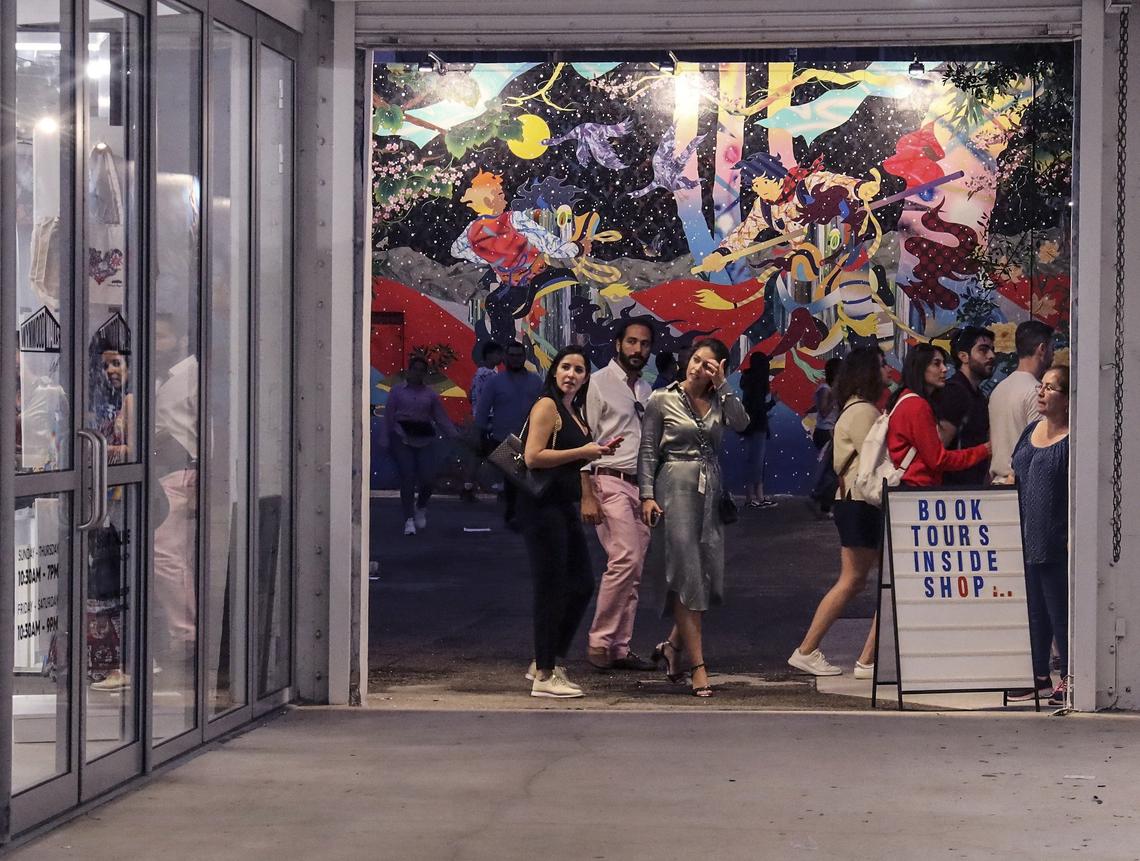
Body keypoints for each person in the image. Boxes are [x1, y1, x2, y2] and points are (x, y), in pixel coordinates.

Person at [638, 339, 750, 697]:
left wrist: (724, 386)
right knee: (687, 572)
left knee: (704, 573)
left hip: (710, 490)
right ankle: (698, 666)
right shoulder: (661, 399)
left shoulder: (721, 400)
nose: (697, 367)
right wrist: (646, 495)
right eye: (695, 359)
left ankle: (672, 646)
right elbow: (646, 450)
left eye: (708, 364)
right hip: (674, 486)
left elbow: (742, 423)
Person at [520, 345, 618, 698]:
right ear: (554, 371)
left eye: (579, 369)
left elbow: (578, 462)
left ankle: (545, 660)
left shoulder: (572, 411)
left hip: (562, 506)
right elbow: (533, 457)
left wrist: (595, 455)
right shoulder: (547, 406)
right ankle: (545, 675)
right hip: (542, 508)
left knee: (580, 584)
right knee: (551, 589)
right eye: (566, 367)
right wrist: (583, 452)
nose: (571, 374)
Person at [789, 348, 892, 677]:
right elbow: (876, 460)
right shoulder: (863, 411)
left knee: (859, 580)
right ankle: (820, 651)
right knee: (861, 581)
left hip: (852, 503)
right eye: (881, 365)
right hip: (862, 503)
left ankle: (863, 657)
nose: (888, 370)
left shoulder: (851, 408)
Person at [579, 318, 657, 672]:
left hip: (639, 488)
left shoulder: (647, 391)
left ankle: (620, 648)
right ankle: (599, 639)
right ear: (618, 344)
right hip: (606, 481)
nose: (637, 350)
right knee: (624, 558)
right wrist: (587, 494)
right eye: (631, 342)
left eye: (643, 344)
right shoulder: (597, 383)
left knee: (634, 569)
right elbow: (585, 441)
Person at [1005, 365, 1070, 706]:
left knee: (1061, 612)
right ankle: (1038, 676)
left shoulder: (1073, 441)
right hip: (1027, 536)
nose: (1041, 393)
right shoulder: (1031, 429)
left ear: (1068, 398)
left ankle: (1070, 677)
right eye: (1041, 386)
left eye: (1051, 388)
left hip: (1057, 541)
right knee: (1035, 611)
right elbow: (1015, 470)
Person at [886, 344, 991, 487]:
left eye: (943, 363)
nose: (944, 369)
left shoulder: (905, 400)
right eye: (936, 364)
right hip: (917, 490)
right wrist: (983, 450)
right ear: (920, 367)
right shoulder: (917, 406)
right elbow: (938, 459)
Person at [380, 355, 458, 536]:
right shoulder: (398, 391)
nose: (418, 373)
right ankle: (408, 519)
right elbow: (389, 415)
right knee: (407, 476)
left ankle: (421, 506)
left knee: (428, 478)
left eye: (422, 370)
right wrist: (384, 437)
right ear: (409, 370)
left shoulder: (430, 394)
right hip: (402, 436)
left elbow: (440, 417)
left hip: (423, 437)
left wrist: (454, 435)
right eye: (415, 369)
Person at [475, 340, 543, 530]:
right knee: (513, 480)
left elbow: (545, 407)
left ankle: (521, 515)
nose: (515, 359)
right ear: (505, 358)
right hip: (504, 437)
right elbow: (482, 410)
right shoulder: (495, 382)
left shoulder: (535, 381)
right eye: (511, 355)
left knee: (528, 481)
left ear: (524, 357)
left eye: (518, 355)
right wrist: (481, 436)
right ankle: (513, 514)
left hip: (531, 438)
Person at [989, 320, 1054, 483]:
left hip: (997, 483)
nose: (1053, 354)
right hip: (1023, 485)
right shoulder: (1037, 392)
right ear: (1042, 349)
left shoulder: (998, 390)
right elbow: (1040, 448)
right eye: (1052, 348)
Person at [936, 326, 996, 486]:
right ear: (963, 356)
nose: (991, 355)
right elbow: (939, 448)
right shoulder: (955, 393)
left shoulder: (977, 395)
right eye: (983, 350)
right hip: (953, 492)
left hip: (970, 492)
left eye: (992, 349)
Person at [460, 341, 504, 502]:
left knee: (478, 455)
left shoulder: (478, 373)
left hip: (479, 419)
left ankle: (468, 487)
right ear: (490, 354)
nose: (501, 357)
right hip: (490, 420)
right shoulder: (491, 375)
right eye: (498, 354)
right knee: (499, 455)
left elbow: (470, 395)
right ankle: (501, 488)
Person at [739, 351, 777, 508]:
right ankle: (759, 497)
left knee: (751, 461)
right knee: (757, 462)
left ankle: (750, 497)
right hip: (758, 427)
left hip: (747, 427)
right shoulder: (758, 384)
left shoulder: (748, 381)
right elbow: (759, 408)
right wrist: (773, 402)